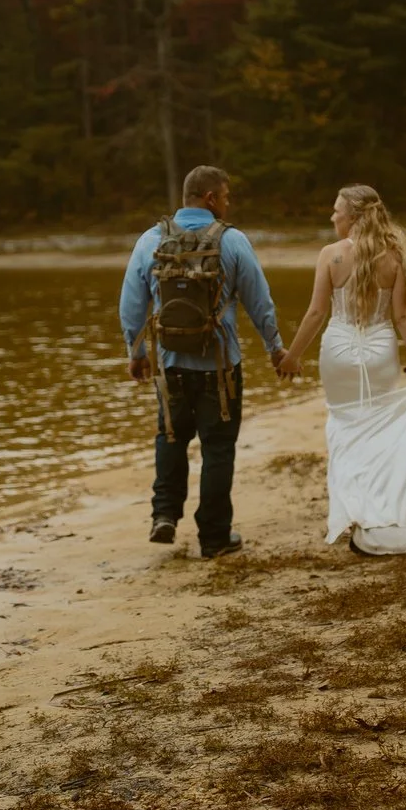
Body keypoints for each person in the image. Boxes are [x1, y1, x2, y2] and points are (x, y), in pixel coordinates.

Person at [276, 184, 406, 554]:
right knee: (379, 433)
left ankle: (358, 512)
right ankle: (381, 512)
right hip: (380, 351)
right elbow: (403, 318)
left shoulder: (330, 255)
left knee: (345, 430)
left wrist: (292, 356)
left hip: (338, 352)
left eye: (337, 210)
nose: (332, 216)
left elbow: (316, 313)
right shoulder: (394, 257)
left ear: (353, 217)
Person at [120, 166, 288, 558]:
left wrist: (136, 353)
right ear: (210, 198)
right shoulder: (232, 241)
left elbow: (131, 305)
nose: (228, 204)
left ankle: (164, 514)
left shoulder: (150, 239)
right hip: (220, 367)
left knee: (171, 436)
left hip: (170, 365)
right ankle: (214, 538)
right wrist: (275, 348)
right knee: (218, 448)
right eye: (225, 197)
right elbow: (259, 302)